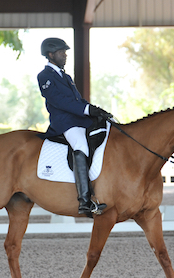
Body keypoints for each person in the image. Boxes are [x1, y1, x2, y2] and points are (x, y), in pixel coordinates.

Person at [37, 37, 112, 216]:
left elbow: (77, 100)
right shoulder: (45, 76)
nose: (65, 55)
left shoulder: (66, 76)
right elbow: (60, 101)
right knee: (81, 145)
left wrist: (96, 110)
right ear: (50, 54)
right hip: (65, 122)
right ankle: (85, 200)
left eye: (65, 52)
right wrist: (87, 109)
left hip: (79, 120)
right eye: (62, 52)